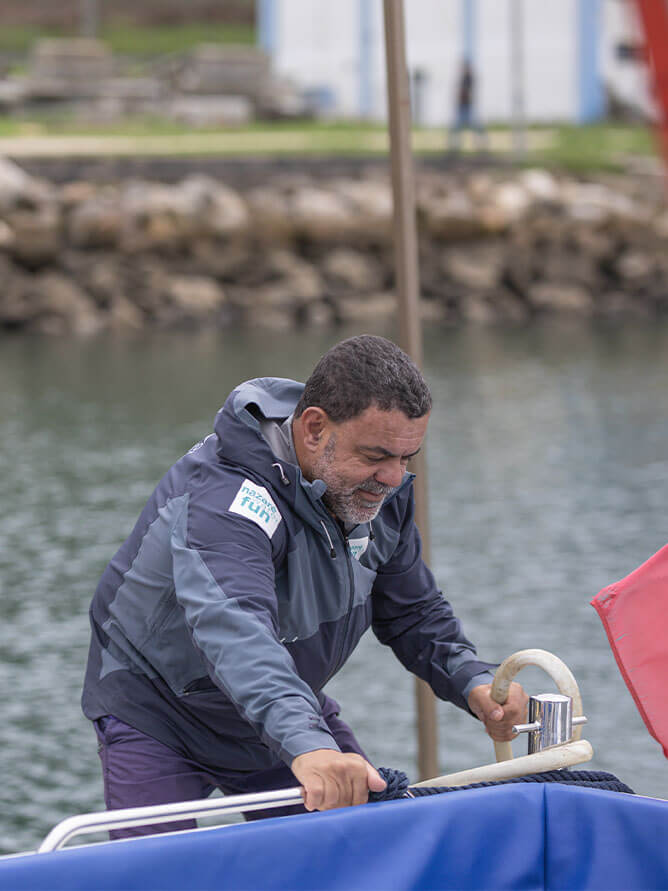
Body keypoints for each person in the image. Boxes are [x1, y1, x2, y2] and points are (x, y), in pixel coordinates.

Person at [82, 334, 527, 837]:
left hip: (282, 704)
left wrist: (472, 680)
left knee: (365, 849)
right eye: (377, 454)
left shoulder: (384, 491)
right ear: (314, 428)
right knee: (152, 876)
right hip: (158, 713)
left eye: (408, 457)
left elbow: (413, 611)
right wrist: (308, 744)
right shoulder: (225, 498)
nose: (393, 477)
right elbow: (238, 632)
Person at [448, 58, 486, 153]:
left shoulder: (469, 77)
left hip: (467, 106)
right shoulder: (463, 77)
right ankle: (455, 146)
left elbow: (467, 92)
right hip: (462, 106)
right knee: (458, 127)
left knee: (473, 126)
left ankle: (480, 144)